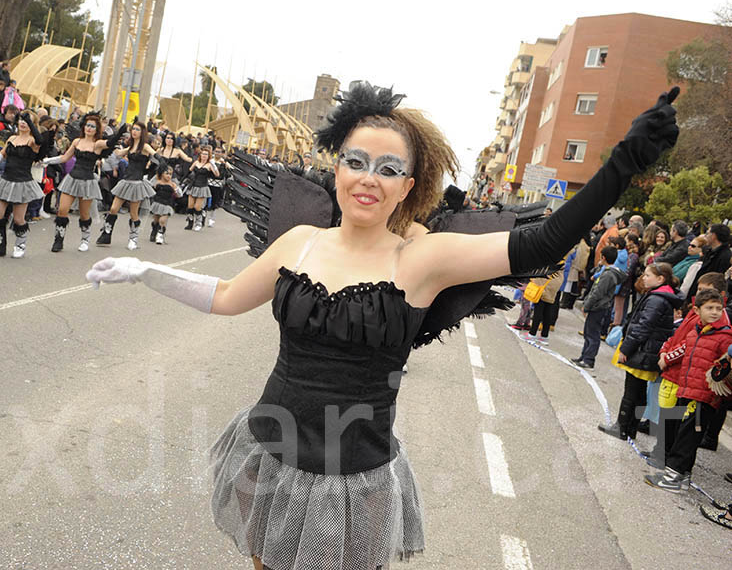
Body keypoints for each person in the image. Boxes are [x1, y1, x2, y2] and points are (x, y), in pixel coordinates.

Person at [84, 83, 680, 570]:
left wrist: (621, 165)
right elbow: (223, 297)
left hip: (354, 480)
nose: (369, 177)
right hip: (269, 449)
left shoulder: (420, 260)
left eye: (389, 168)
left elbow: (544, 241)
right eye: (356, 161)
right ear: (337, 168)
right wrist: (145, 271)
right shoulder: (299, 242)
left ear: (408, 186)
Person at [645, 288, 732, 491]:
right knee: (684, 433)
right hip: (687, 390)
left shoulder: (725, 337)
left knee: (687, 438)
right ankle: (682, 475)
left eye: (719, 308)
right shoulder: (695, 332)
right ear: (696, 309)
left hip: (704, 396)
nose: (715, 312)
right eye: (709, 308)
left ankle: (672, 476)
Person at [598, 262, 681, 440]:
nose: (643, 278)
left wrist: (626, 348)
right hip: (648, 351)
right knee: (639, 391)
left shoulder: (657, 299)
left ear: (660, 279)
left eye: (647, 275)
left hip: (643, 351)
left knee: (631, 391)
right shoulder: (659, 296)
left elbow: (643, 327)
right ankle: (631, 428)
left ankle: (621, 427)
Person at [41, 114, 125, 252]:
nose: (89, 128)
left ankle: (85, 239)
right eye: (87, 125)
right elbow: (64, 157)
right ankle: (59, 240)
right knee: (62, 210)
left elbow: (109, 144)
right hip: (72, 179)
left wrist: (119, 133)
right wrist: (47, 161)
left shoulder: (97, 144)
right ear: (83, 126)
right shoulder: (77, 142)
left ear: (96, 129)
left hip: (87, 182)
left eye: (93, 126)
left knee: (84, 213)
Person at [0, 111, 48, 258]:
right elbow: (3, 152)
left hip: (22, 181)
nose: (23, 122)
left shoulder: (33, 141)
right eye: (21, 119)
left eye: (27, 120)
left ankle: (20, 245)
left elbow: (40, 141)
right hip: (6, 179)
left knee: (19, 218)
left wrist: (31, 123)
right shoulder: (12, 138)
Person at [95, 122, 155, 250]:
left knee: (133, 213)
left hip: (137, 183)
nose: (134, 131)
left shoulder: (145, 146)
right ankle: (106, 235)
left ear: (142, 132)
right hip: (126, 181)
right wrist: (113, 138)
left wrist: (159, 160)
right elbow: (117, 153)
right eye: (133, 129)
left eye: (137, 129)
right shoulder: (130, 147)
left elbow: (154, 154)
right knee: (113, 209)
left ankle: (133, 239)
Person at [572, 246, 626, 369]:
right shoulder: (607, 271)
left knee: (592, 334)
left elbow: (597, 292)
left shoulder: (608, 274)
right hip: (599, 306)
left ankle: (589, 359)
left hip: (598, 307)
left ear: (603, 257)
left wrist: (587, 305)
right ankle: (584, 355)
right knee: (588, 332)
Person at [687, 223, 732, 301]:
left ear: (713, 236)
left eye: (707, 233)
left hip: (707, 298)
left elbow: (718, 281)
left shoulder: (725, 256)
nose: (705, 236)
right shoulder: (709, 252)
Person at [184, 145, 220, 231]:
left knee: (197, 207)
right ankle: (190, 222)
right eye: (203, 154)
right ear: (200, 155)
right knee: (190, 206)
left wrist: (214, 165)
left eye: (206, 154)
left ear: (209, 156)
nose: (204, 156)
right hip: (193, 186)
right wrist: (182, 182)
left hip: (202, 187)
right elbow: (188, 172)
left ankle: (199, 223)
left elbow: (217, 175)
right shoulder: (196, 162)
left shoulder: (209, 165)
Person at [524, 271, 561, 346]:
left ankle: (532, 333)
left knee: (539, 310)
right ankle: (544, 336)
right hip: (556, 282)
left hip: (545, 282)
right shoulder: (564, 261)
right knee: (548, 310)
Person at [148, 165, 180, 244]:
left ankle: (160, 236)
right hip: (158, 202)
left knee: (162, 220)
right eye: (167, 174)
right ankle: (154, 231)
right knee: (156, 219)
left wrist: (176, 192)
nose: (169, 176)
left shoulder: (173, 184)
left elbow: (179, 194)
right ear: (162, 174)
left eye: (170, 174)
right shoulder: (157, 182)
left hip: (167, 204)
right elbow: (150, 188)